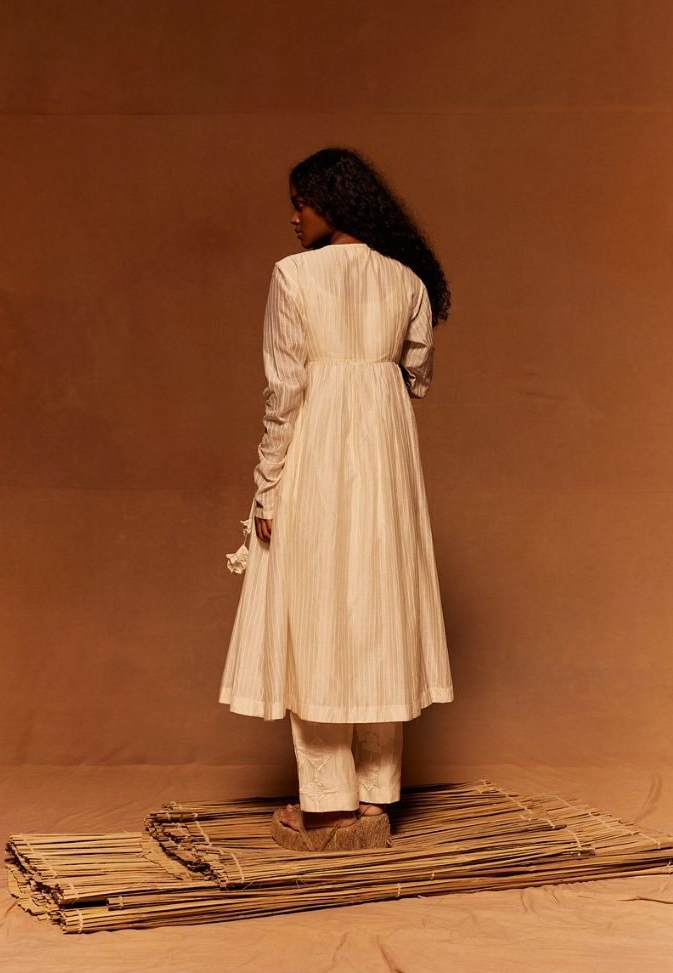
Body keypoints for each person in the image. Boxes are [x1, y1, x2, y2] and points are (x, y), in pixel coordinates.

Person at [220, 147, 454, 850]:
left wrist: (267, 485)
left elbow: (284, 390)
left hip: (318, 456)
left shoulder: (295, 276)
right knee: (380, 612)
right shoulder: (407, 279)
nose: (294, 217)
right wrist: (371, 381)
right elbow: (417, 377)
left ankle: (327, 808)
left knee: (317, 615)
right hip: (387, 465)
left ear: (332, 201)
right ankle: (376, 803)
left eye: (300, 202)